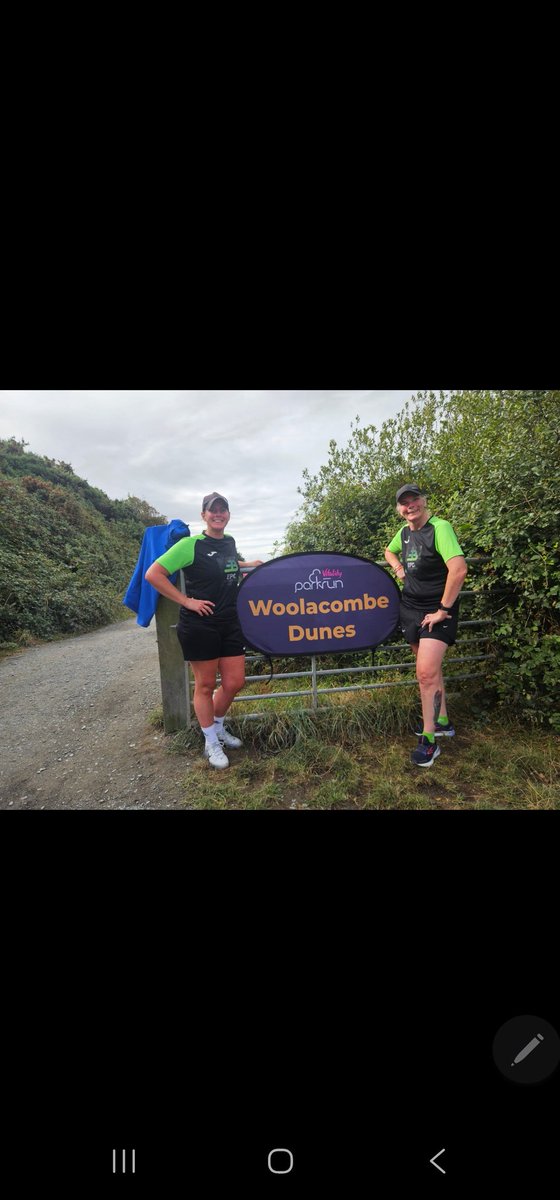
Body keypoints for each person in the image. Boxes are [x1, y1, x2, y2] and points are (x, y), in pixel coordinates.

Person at [145, 492, 263, 769]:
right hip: (200, 624)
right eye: (213, 510)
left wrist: (248, 565)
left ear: (228, 514)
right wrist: (186, 601)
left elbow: (225, 565)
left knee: (234, 682)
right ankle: (210, 741)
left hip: (229, 622)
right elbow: (153, 574)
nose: (218, 514)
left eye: (223, 510)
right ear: (204, 515)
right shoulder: (190, 545)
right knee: (206, 685)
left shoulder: (229, 541)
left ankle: (218, 728)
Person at [384, 485, 468, 767]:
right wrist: (398, 569)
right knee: (430, 671)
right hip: (410, 608)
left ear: (424, 501)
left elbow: (459, 569)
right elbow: (389, 551)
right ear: (399, 509)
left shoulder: (440, 528)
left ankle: (429, 741)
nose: (410, 506)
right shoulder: (404, 533)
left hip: (437, 609)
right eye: (404, 503)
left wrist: (443, 610)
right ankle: (442, 721)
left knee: (425, 673)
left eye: (414, 500)